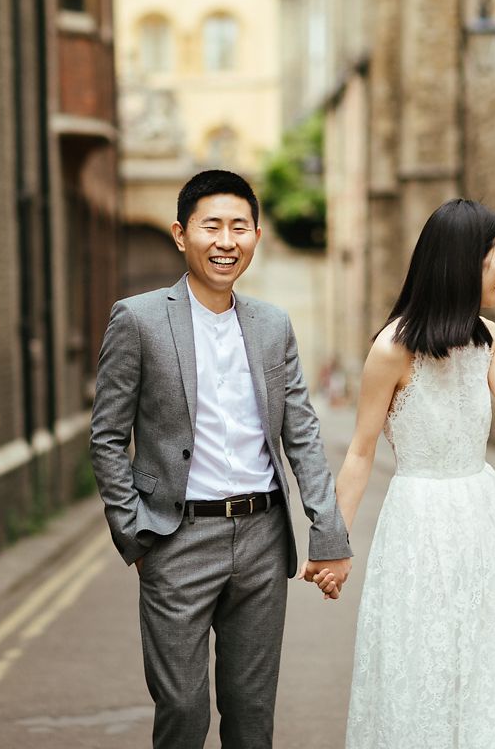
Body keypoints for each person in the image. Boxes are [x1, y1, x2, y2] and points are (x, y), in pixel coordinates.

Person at [89, 169, 353, 749]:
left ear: (257, 235)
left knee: (252, 719)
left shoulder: (272, 325)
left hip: (262, 540)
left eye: (239, 227)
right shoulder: (137, 320)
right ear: (182, 235)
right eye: (212, 226)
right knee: (183, 712)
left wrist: (328, 532)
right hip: (176, 540)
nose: (226, 241)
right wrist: (133, 534)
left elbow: (302, 434)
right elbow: (107, 436)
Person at [317, 198, 495, 748]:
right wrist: (332, 544)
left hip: (486, 521)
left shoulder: (488, 338)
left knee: (490, 668)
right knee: (421, 667)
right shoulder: (392, 349)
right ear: (466, 262)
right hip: (418, 525)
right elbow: (360, 452)